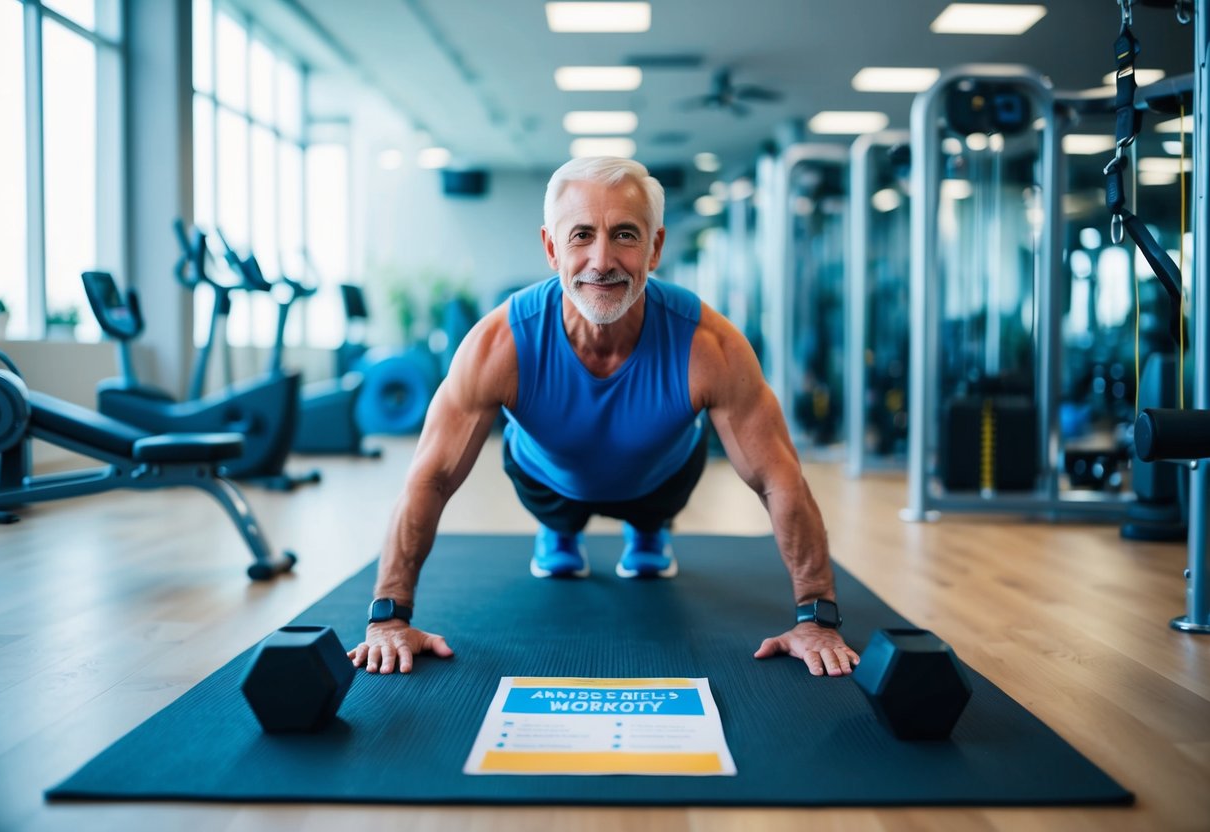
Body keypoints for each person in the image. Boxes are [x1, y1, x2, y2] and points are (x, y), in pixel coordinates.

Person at [348, 156, 859, 679]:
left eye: (625, 235)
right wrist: (390, 615)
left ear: (655, 248)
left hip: (661, 481)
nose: (601, 260)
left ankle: (648, 531)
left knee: (656, 511)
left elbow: (780, 479)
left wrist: (816, 617)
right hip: (548, 481)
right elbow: (430, 478)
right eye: (582, 236)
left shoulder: (710, 345)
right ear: (551, 248)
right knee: (558, 524)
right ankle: (559, 532)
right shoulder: (499, 344)